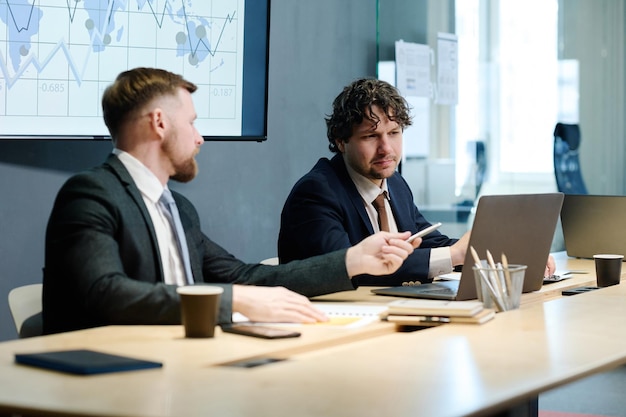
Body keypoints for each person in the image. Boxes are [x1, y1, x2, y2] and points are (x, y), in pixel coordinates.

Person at [42, 68, 417, 335]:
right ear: (159, 123)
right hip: (109, 372)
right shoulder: (92, 194)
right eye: (191, 123)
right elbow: (105, 292)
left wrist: (354, 259)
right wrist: (236, 300)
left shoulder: (178, 209)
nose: (199, 137)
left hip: (176, 361)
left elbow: (246, 276)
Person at [279, 78, 556, 286]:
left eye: (394, 133)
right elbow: (352, 269)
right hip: (331, 328)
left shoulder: (395, 183)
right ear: (341, 141)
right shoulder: (316, 193)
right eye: (370, 137)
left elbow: (428, 242)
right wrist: (456, 255)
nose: (386, 148)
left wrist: (500, 251)